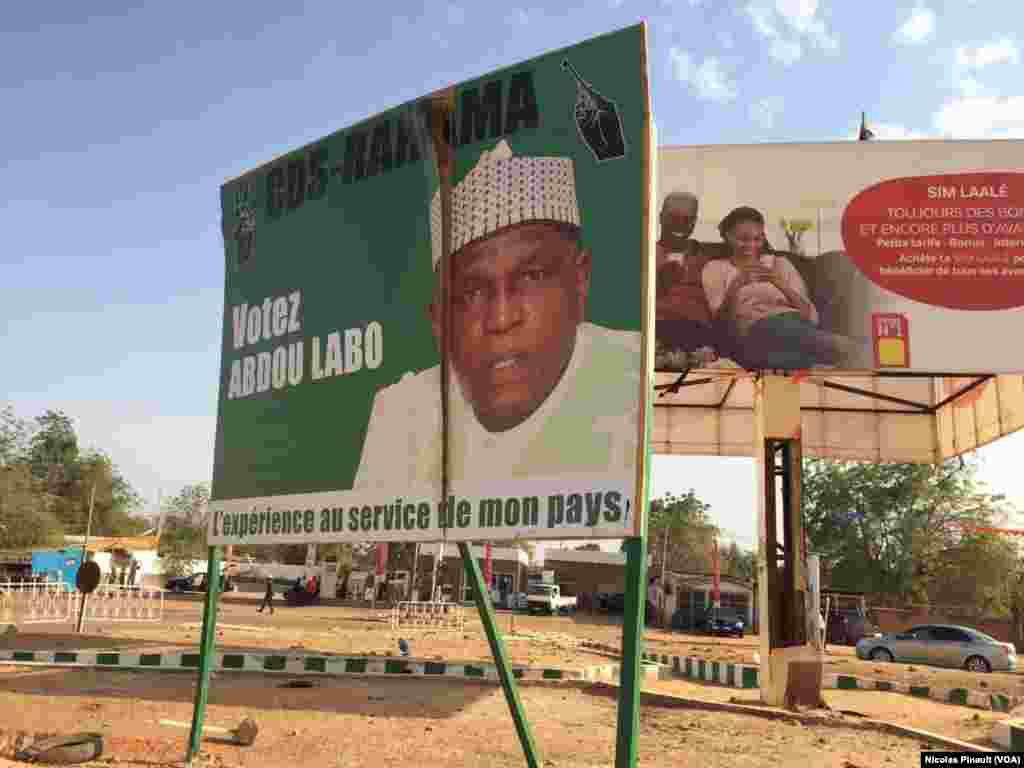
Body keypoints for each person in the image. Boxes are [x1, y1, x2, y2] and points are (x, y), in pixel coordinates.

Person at [354, 140, 642, 488]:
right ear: (439, 321)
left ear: (581, 280)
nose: (502, 319)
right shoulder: (401, 415)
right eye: (472, 293)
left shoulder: (632, 375)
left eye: (533, 276)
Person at [701, 206, 858, 370]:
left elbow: (809, 315)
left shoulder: (780, 264)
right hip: (754, 330)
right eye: (743, 239)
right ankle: (837, 351)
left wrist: (779, 283)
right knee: (778, 344)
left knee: (783, 347)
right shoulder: (715, 268)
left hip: (794, 325)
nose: (751, 245)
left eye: (757, 239)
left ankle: (810, 360)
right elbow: (719, 321)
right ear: (728, 236)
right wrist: (736, 286)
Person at [654, 191, 721, 369]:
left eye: (687, 219)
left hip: (695, 332)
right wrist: (658, 283)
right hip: (657, 328)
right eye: (674, 217)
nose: (680, 225)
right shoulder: (645, 253)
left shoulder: (706, 258)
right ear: (661, 217)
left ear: (694, 222)